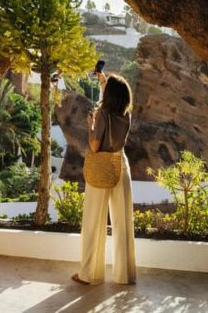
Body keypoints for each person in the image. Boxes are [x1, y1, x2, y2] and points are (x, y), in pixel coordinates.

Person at [71, 72, 137, 285]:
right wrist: (102, 81)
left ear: (108, 95)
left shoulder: (101, 114)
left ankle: (88, 274)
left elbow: (95, 146)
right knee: (123, 222)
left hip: (101, 168)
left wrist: (90, 125)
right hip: (121, 166)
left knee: (93, 222)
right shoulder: (126, 114)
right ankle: (124, 275)